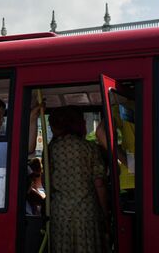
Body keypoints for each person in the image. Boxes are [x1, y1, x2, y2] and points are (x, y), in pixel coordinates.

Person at [48, 106, 107, 253]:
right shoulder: (90, 148)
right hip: (87, 214)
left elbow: (46, 183)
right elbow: (99, 183)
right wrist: (105, 212)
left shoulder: (51, 149)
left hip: (61, 214)